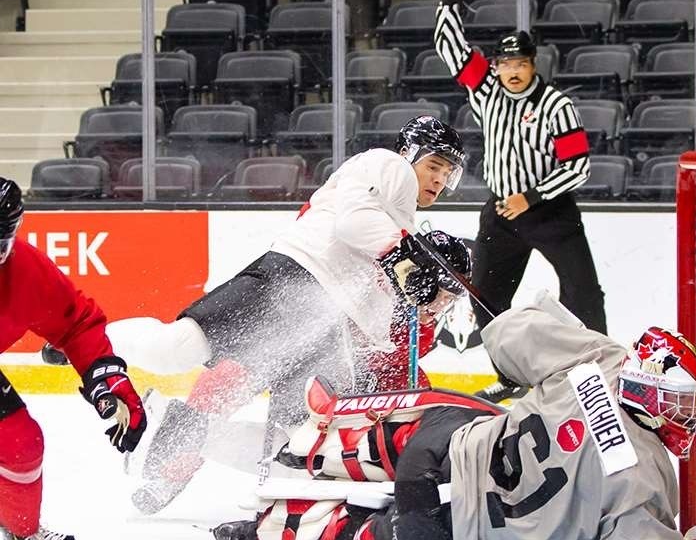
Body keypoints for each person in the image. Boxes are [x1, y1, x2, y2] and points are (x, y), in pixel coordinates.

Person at [212, 295, 696, 540]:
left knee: (456, 415)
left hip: (443, 455)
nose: (689, 415)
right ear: (651, 392)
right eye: (681, 401)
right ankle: (265, 536)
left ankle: (323, 444)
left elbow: (505, 338)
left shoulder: (601, 360)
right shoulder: (649, 478)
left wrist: (563, 327)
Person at [96, 116, 470, 514]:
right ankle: (89, 340)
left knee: (301, 442)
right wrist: (404, 259)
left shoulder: (402, 219)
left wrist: (418, 304)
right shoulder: (387, 165)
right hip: (289, 279)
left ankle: (199, 457)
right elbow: (352, 223)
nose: (438, 180)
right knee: (175, 350)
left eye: (447, 173)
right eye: (434, 165)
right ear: (409, 154)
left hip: (322, 326)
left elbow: (376, 312)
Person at [434, 0, 608, 401]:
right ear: (497, 65)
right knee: (486, 297)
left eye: (521, 63)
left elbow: (579, 167)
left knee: (584, 293)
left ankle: (603, 375)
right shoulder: (487, 90)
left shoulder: (555, 104)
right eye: (506, 62)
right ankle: (512, 376)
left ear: (533, 65)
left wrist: (530, 196)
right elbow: (451, 49)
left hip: (550, 212)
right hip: (501, 214)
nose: (512, 70)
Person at [0, 178, 146, 540]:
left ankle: (23, 533)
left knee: (20, 446)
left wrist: (105, 376)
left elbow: (77, 324)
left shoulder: (25, 273)